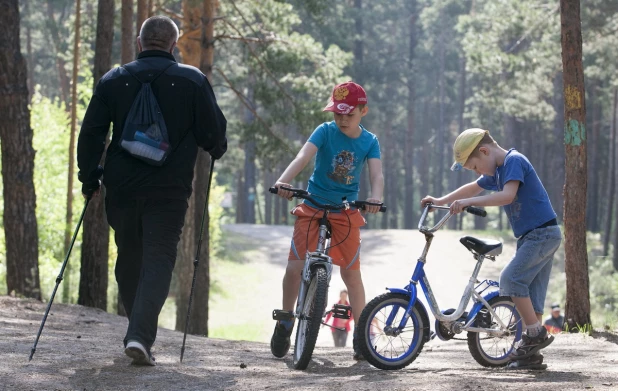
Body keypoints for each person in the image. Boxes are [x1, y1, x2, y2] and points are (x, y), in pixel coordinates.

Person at [77, 16, 227, 366]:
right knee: (159, 258)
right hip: (169, 189)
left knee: (129, 256)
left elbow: (91, 134)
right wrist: (216, 147)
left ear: (139, 43)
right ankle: (139, 336)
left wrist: (90, 177)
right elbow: (214, 137)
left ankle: (138, 333)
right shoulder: (192, 80)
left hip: (122, 188)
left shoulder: (113, 80)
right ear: (174, 46)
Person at [421, 128, 562, 370]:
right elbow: (472, 188)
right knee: (533, 299)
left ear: (485, 151)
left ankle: (535, 334)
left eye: (475, 166)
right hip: (533, 236)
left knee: (511, 279)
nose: (477, 172)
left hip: (542, 234)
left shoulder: (513, 161)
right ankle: (531, 356)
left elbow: (507, 196)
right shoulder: (497, 171)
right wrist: (441, 201)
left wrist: (468, 203)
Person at [270, 81, 384, 361]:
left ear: (363, 111)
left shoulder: (370, 141)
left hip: (345, 209)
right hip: (313, 204)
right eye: (338, 113)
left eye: (350, 114)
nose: (343, 119)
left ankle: (361, 336)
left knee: (351, 275)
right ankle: (286, 320)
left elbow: (377, 176)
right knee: (295, 266)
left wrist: (375, 198)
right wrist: (284, 181)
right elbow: (303, 156)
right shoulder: (324, 130)